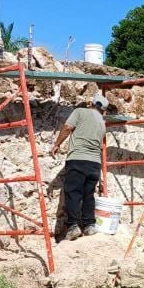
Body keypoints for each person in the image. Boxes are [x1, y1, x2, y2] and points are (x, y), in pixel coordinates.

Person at [50, 94, 109, 240]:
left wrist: (57, 144)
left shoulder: (80, 112)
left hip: (78, 158)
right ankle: (89, 226)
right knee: (88, 195)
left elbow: (68, 127)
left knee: (73, 193)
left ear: (91, 103)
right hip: (95, 163)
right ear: (104, 110)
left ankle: (73, 226)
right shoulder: (102, 123)